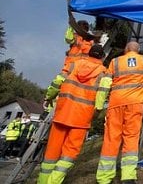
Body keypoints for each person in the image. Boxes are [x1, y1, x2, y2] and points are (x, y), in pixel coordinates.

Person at [37, 44, 108, 184]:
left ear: (89, 53)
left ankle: (43, 181)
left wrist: (48, 97)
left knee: (51, 154)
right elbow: (101, 97)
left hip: (62, 113)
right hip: (82, 119)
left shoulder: (72, 65)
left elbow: (57, 82)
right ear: (103, 57)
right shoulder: (103, 73)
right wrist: (97, 112)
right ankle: (53, 181)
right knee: (68, 155)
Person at [96, 41, 143, 184]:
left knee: (111, 138)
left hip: (116, 103)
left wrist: (99, 105)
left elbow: (105, 83)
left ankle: (104, 178)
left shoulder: (115, 62)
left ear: (126, 49)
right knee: (131, 138)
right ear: (138, 50)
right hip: (136, 103)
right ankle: (128, 177)